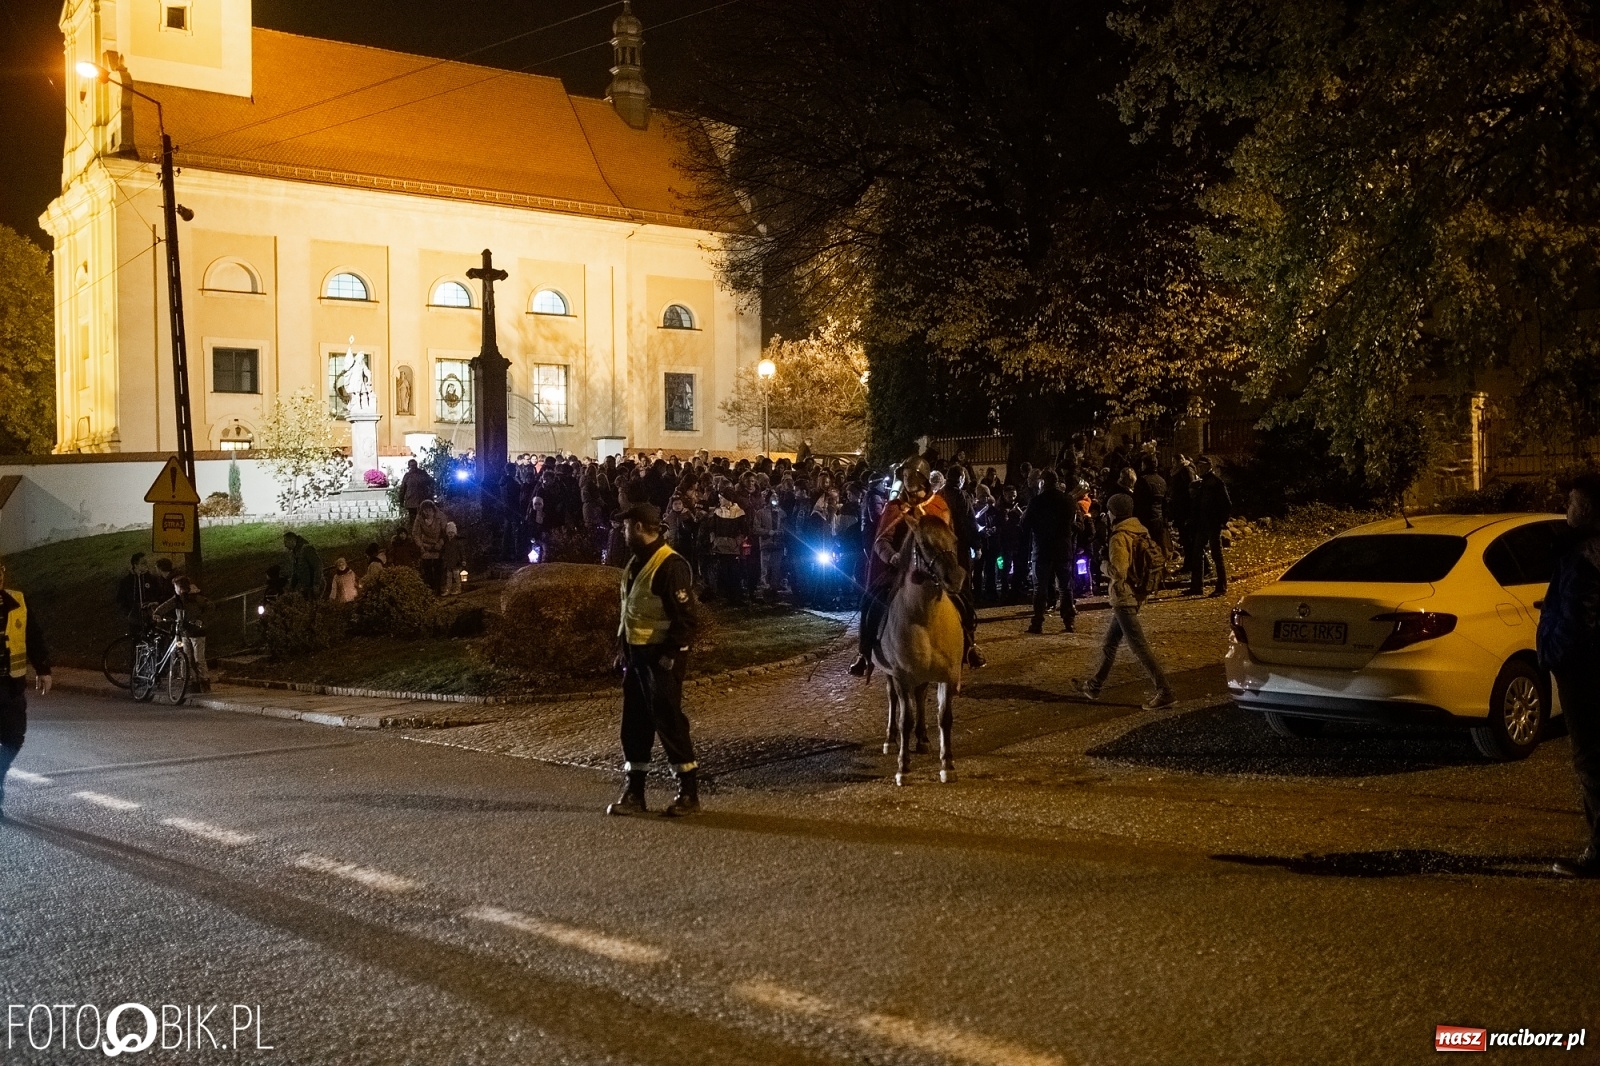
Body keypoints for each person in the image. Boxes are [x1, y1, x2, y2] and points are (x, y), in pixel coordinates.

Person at [606, 503, 703, 818]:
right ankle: (635, 793)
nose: (622, 533)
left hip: (661, 657)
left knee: (669, 721)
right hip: (636, 654)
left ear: (637, 527)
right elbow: (631, 610)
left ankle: (689, 793)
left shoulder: (669, 565)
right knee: (633, 723)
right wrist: (623, 648)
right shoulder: (637, 563)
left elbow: (687, 620)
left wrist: (669, 655)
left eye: (625, 527)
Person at [850, 456, 984, 677]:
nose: (907, 479)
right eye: (904, 475)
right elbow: (881, 541)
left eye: (911, 475)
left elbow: (947, 537)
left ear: (923, 479)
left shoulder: (938, 506)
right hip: (901, 569)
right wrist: (892, 557)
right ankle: (864, 653)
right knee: (871, 600)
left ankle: (970, 645)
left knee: (964, 599)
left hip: (935, 567)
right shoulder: (894, 507)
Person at [1537, 473, 1600, 878]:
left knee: (1591, 761)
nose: (1567, 510)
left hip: (1585, 673)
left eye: (1572, 503)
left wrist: (1558, 654)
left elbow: (1582, 617)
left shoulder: (1584, 555)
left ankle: (1598, 853)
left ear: (1589, 509)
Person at [1075, 494, 1174, 710]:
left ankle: (1164, 690)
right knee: (1110, 643)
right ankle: (1094, 685)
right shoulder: (1139, 529)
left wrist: (1102, 565)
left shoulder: (1119, 537)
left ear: (1114, 513)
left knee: (1139, 646)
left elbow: (1118, 570)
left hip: (1124, 597)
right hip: (1136, 593)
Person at [0, 556, 52, 818]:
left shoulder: (17, 600)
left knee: (14, 738)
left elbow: (33, 634)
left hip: (11, 685)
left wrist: (43, 669)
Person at [1021, 470, 1079, 634]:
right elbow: (1072, 521)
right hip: (1062, 548)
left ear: (1043, 483)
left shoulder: (1037, 501)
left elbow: (1025, 524)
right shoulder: (1067, 500)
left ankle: (1037, 622)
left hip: (1042, 549)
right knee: (1065, 587)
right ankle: (1069, 621)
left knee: (1040, 588)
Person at [1186, 456, 1232, 597]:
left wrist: (1221, 522)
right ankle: (1197, 586)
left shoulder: (1216, 483)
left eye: (1201, 466)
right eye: (1197, 466)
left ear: (1207, 466)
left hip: (1212, 524)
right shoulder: (1202, 483)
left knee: (1216, 554)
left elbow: (1226, 504)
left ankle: (1221, 585)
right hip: (1202, 523)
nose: (1198, 468)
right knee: (1197, 553)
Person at [114, 552, 162, 635]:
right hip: (134, 618)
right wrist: (128, 612)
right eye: (143, 563)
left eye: (146, 562)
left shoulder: (152, 579)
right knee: (136, 640)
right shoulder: (127, 581)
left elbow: (159, 594)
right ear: (135, 565)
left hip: (151, 616)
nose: (146, 564)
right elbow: (120, 599)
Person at [412, 501, 449, 593]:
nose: (427, 513)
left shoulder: (441, 516)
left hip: (438, 544)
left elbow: (445, 532)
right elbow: (415, 533)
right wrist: (420, 545)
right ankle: (430, 588)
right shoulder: (419, 518)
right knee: (427, 568)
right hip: (425, 545)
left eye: (429, 510)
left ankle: (439, 587)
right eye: (425, 510)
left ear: (433, 510)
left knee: (439, 567)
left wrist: (441, 542)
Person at [282, 531, 324, 599]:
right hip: (306, 587)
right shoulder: (295, 553)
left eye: (286, 542)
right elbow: (295, 572)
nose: (285, 545)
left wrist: (316, 584)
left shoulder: (306, 549)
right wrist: (291, 587)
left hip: (313, 587)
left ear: (292, 540)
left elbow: (318, 566)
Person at [399, 459, 436, 526]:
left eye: (414, 465)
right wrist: (401, 501)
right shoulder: (407, 476)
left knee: (423, 520)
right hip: (411, 502)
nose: (413, 467)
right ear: (409, 466)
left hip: (422, 502)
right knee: (413, 521)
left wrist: (430, 495)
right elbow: (403, 489)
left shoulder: (422, 474)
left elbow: (431, 482)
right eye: (412, 466)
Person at [441, 521, 465, 596]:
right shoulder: (446, 543)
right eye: (449, 533)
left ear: (455, 533)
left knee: (456, 576)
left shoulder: (458, 542)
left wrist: (463, 560)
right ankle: (448, 589)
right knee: (448, 577)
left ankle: (458, 588)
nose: (450, 535)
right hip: (448, 563)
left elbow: (462, 552)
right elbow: (444, 552)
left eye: (452, 533)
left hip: (456, 562)